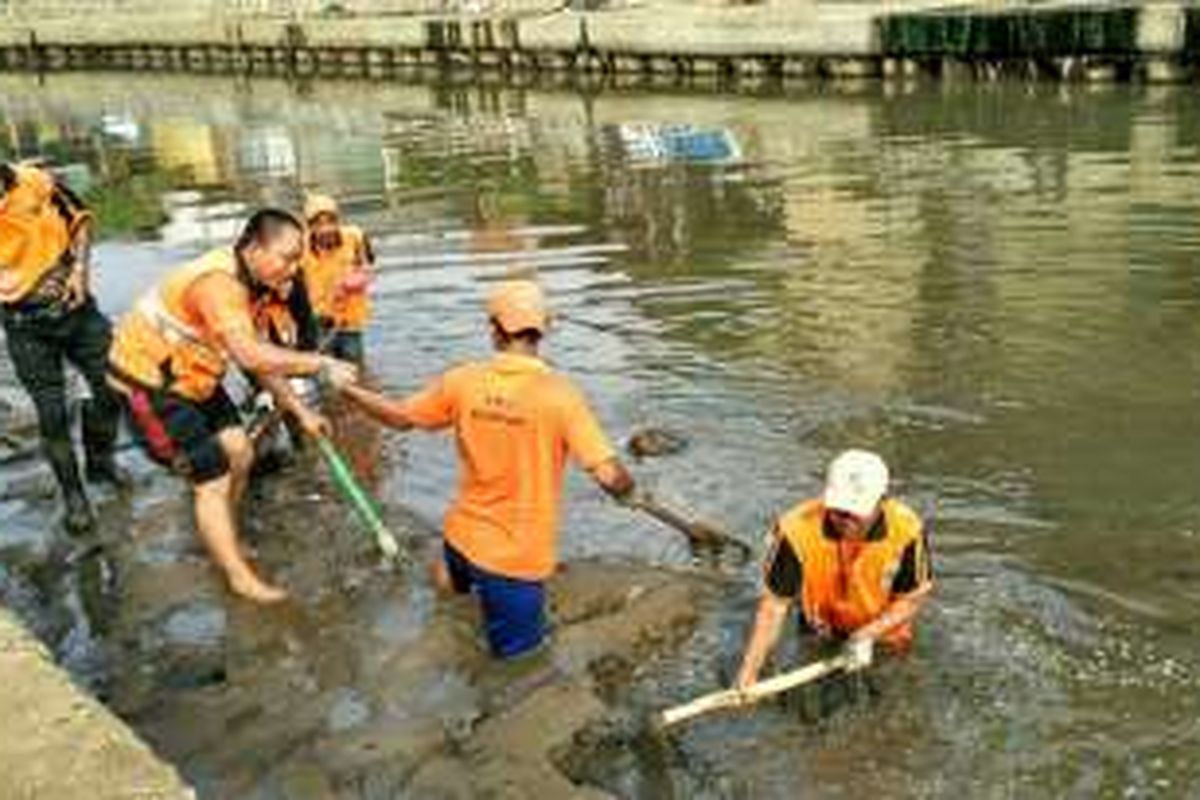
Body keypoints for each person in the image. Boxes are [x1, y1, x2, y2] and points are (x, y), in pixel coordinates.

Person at [336, 279, 635, 659]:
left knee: (452, 613)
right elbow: (610, 477)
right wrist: (631, 492)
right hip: (514, 561)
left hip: (459, 543)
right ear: (545, 329)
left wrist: (349, 391)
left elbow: (399, 418)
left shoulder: (463, 380)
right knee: (520, 666)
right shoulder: (561, 395)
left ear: (494, 329)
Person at [107, 209, 357, 603]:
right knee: (213, 478)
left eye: (298, 260)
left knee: (240, 451)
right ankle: (237, 575)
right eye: (287, 258)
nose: (293, 270)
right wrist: (321, 364)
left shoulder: (254, 283)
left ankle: (224, 529)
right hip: (150, 381)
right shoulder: (219, 285)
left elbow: (256, 359)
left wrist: (300, 410)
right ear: (254, 247)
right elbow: (250, 353)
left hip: (194, 372)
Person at [0, 160, 128, 534]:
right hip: (25, 328)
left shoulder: (35, 182)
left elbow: (81, 219)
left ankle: (100, 460)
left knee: (113, 387)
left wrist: (79, 271)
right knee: (52, 415)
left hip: (78, 311)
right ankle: (74, 498)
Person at [736, 449, 933, 690]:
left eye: (856, 512)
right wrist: (748, 674)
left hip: (885, 635)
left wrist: (867, 635)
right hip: (820, 629)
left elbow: (912, 599)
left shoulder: (907, 530)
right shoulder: (795, 529)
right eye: (839, 510)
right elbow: (774, 607)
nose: (845, 519)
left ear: (882, 502)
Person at [300, 193, 373, 363]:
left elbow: (367, 268)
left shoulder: (355, 237)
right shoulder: (299, 247)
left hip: (350, 320)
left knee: (354, 366)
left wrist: (354, 282)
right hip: (319, 322)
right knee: (325, 370)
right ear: (309, 227)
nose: (326, 229)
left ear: (338, 220)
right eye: (318, 224)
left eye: (330, 221)